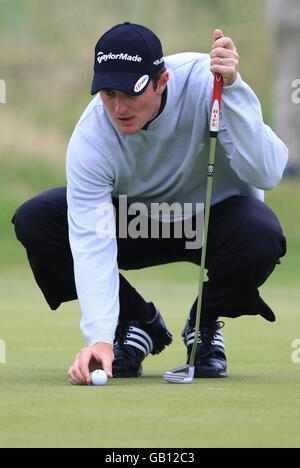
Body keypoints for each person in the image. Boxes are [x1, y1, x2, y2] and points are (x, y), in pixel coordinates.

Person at [12, 22, 288, 386]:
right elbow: (91, 241)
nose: (118, 106)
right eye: (109, 92)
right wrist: (100, 340)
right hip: (136, 223)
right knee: (37, 220)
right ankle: (136, 324)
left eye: (131, 92)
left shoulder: (211, 83)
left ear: (162, 81)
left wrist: (235, 91)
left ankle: (204, 323)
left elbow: (267, 172)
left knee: (262, 234)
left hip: (212, 223)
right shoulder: (92, 138)